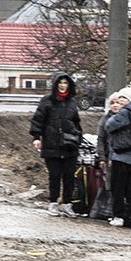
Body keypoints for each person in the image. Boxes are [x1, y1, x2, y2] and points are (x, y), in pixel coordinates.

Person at [28, 73, 86, 216]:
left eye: (65, 82)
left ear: (69, 85)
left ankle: (67, 204)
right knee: (54, 175)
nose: (62, 85)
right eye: (60, 82)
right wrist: (36, 137)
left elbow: (76, 122)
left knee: (69, 176)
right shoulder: (47, 101)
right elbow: (37, 120)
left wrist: (78, 136)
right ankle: (53, 203)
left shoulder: (72, 102)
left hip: (70, 145)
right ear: (55, 84)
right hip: (51, 144)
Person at [98, 87, 131, 228]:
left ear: (128, 101)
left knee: (118, 187)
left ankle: (118, 216)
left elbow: (108, 126)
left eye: (123, 99)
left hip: (121, 156)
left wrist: (116, 115)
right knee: (130, 187)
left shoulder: (124, 113)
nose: (119, 101)